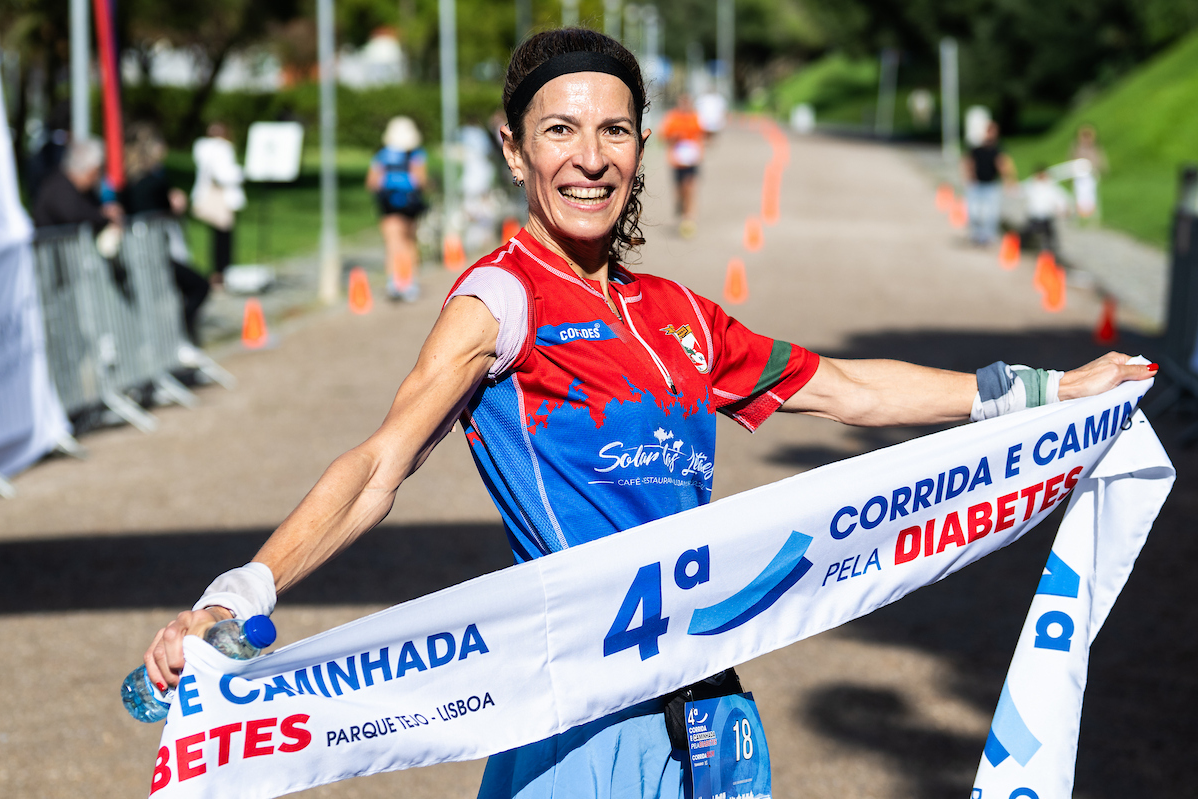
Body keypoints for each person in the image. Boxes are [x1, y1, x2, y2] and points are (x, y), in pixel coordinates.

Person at [143, 28, 1155, 799]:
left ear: (640, 143)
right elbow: (380, 463)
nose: (590, 157)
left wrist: (1045, 392)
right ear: (514, 149)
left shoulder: (677, 313)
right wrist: (240, 594)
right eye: (559, 130)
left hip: (711, 697)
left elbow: (842, 389)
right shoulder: (501, 299)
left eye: (613, 128)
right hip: (578, 707)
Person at [122, 122, 210, 344]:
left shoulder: (128, 181)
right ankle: (181, 333)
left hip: (138, 251)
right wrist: (174, 205)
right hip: (155, 250)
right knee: (198, 286)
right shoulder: (153, 182)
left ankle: (174, 337)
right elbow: (162, 209)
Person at [365, 116, 428, 301]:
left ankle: (394, 283)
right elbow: (421, 181)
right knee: (409, 243)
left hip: (388, 206)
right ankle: (410, 282)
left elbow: (371, 182)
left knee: (392, 244)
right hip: (410, 205)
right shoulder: (416, 155)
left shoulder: (381, 156)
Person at [190, 122, 245, 289]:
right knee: (224, 236)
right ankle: (222, 272)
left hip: (208, 194)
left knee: (216, 236)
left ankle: (218, 272)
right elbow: (225, 174)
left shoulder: (202, 148)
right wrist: (241, 173)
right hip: (220, 196)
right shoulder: (222, 148)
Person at [31, 138, 120, 232]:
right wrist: (103, 215)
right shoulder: (58, 187)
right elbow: (74, 214)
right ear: (86, 169)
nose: (98, 177)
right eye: (96, 172)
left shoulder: (84, 191)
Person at [962, 120, 1016, 246]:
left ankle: (988, 237)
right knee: (974, 212)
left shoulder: (998, 149)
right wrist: (968, 177)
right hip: (976, 185)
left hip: (991, 185)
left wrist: (1008, 181)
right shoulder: (976, 148)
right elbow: (968, 162)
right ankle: (976, 234)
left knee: (991, 214)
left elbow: (1003, 165)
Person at [660, 93, 704, 238]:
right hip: (677, 161)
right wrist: (674, 137)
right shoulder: (673, 118)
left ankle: (688, 218)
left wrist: (700, 151)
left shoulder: (695, 117)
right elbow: (663, 137)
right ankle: (681, 207)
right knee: (680, 190)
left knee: (689, 188)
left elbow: (701, 136)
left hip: (692, 160)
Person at [1022, 164, 1070, 258]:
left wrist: (1064, 209)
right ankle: (1022, 247)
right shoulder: (1030, 185)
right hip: (1033, 217)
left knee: (1050, 235)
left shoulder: (1051, 187)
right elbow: (1018, 191)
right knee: (1026, 233)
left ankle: (1051, 252)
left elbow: (1061, 199)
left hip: (1046, 217)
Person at [1069, 123, 1107, 221]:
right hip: (1080, 176)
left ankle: (1091, 215)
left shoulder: (1095, 148)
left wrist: (1098, 169)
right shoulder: (1076, 148)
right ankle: (1080, 215)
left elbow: (1100, 161)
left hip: (1091, 176)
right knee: (1080, 195)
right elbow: (1072, 160)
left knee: (1091, 195)